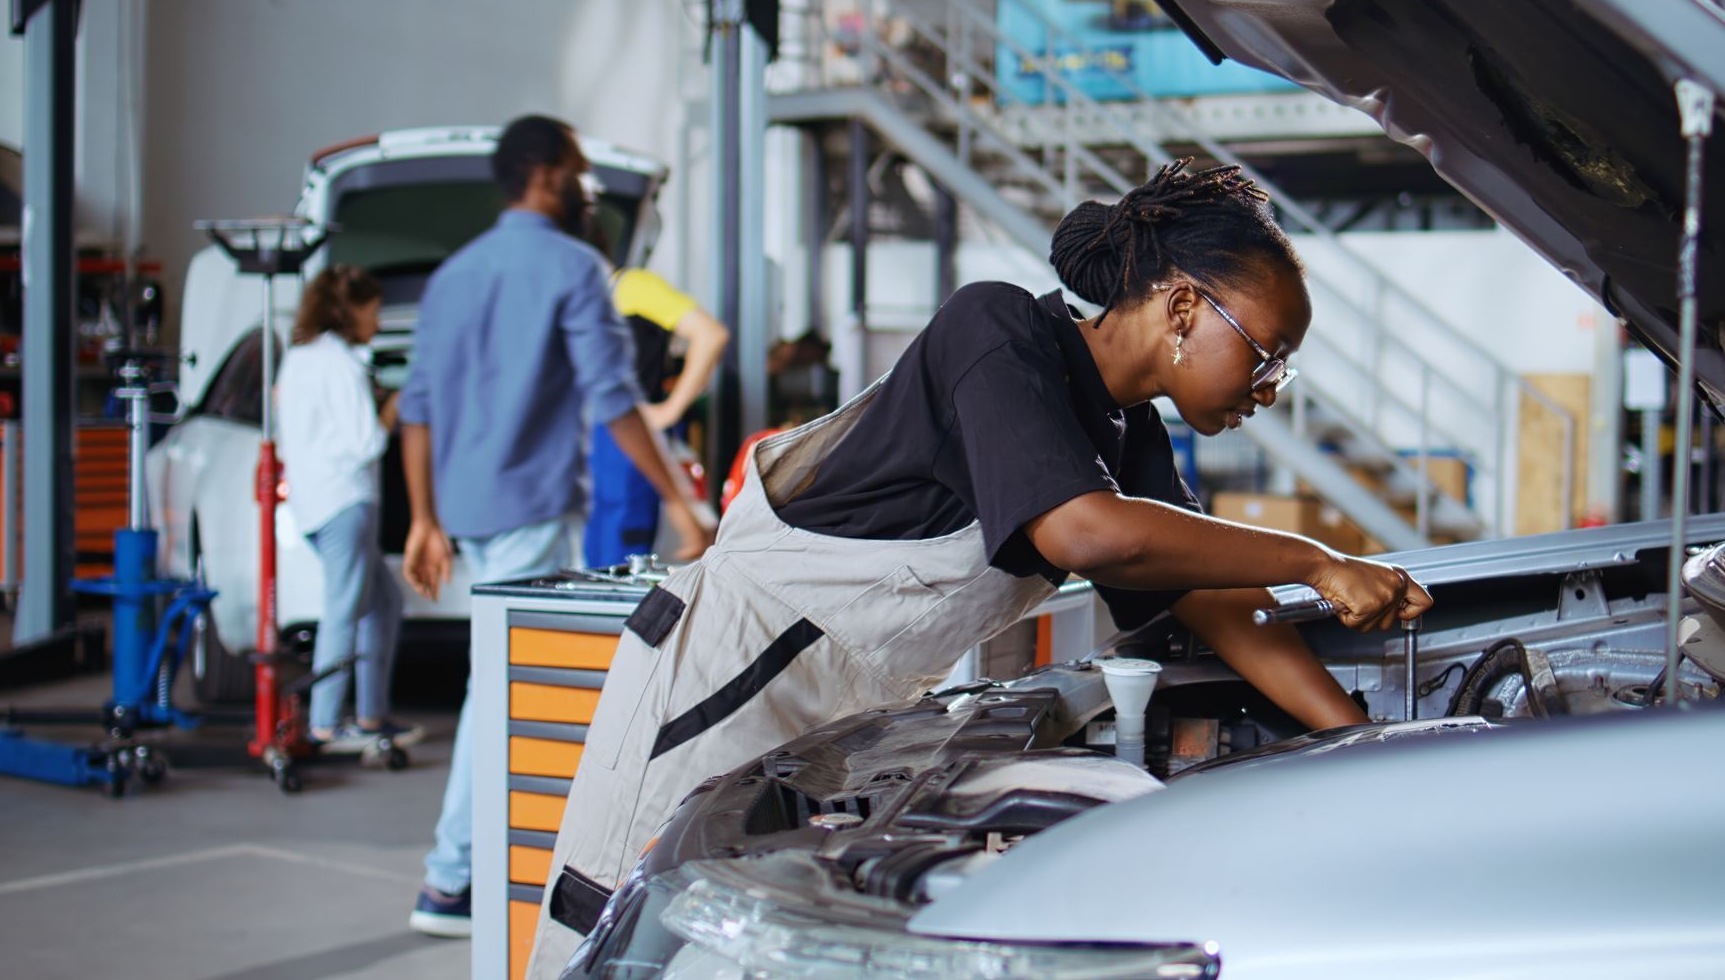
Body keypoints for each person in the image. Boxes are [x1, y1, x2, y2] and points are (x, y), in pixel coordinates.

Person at [524, 159, 1433, 975]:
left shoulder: (1129, 434)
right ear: (1185, 307)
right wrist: (1315, 561)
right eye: (1268, 355)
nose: (1268, 389)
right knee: (624, 933)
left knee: (752, 957)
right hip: (727, 676)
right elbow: (1085, 533)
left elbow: (1212, 604)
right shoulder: (994, 329)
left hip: (846, 719)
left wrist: (1356, 745)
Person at [398, 115, 712, 938]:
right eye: (576, 171)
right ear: (543, 173)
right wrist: (680, 500)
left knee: (487, 685)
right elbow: (614, 398)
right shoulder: (574, 265)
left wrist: (424, 519)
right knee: (494, 696)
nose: (585, 189)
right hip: (530, 505)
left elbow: (418, 405)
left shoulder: (454, 275)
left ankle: (457, 876)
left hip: (467, 511)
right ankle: (450, 880)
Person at [274, 264, 422, 753]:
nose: (376, 322)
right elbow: (367, 442)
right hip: (346, 500)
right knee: (344, 609)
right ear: (351, 309)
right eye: (374, 311)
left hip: (313, 502)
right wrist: (394, 405)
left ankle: (370, 716)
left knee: (383, 602)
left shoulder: (300, 357)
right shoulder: (339, 362)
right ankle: (325, 724)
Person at [583, 262, 728, 566]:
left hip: (628, 445)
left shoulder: (632, 286)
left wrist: (670, 410)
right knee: (595, 566)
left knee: (623, 563)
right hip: (594, 445)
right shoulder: (582, 299)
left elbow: (710, 334)